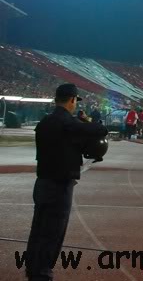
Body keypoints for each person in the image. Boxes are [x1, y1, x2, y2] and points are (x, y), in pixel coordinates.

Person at [26, 84, 108, 281]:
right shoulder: (68, 123)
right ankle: (43, 273)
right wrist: (86, 121)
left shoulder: (44, 121)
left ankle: (32, 268)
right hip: (60, 184)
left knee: (37, 229)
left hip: (42, 182)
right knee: (53, 232)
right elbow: (101, 130)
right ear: (72, 100)